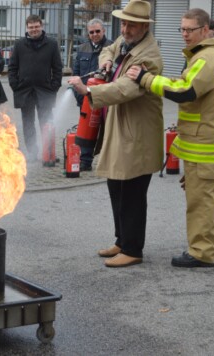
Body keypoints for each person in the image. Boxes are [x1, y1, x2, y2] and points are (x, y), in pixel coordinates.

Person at [127, 8, 214, 268]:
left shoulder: (206, 58)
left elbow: (186, 91)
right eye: (181, 29)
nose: (185, 34)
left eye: (190, 30)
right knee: (206, 199)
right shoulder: (206, 56)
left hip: (203, 144)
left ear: (205, 30)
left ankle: (201, 252)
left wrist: (146, 79)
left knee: (199, 201)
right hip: (205, 141)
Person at [68, 0, 163, 268]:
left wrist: (89, 92)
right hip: (121, 130)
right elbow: (108, 49)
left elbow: (126, 89)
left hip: (137, 135)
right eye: (123, 22)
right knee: (116, 185)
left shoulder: (150, 56)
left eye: (131, 24)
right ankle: (122, 240)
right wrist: (108, 60)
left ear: (144, 26)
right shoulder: (126, 41)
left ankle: (133, 249)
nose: (125, 28)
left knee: (132, 191)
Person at [8, 14, 63, 162]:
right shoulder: (19, 44)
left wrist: (54, 86)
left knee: (47, 122)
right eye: (31, 27)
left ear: (41, 26)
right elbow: (12, 67)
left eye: (36, 26)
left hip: (45, 91)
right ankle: (32, 153)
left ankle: (49, 154)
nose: (34, 30)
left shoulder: (51, 44)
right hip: (24, 91)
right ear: (27, 28)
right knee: (28, 123)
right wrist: (15, 85)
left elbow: (57, 68)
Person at [73, 18, 113, 171]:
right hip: (85, 98)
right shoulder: (82, 48)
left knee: (108, 129)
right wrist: (79, 94)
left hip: (106, 97)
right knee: (86, 129)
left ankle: (108, 161)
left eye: (97, 31)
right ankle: (85, 161)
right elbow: (76, 72)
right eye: (91, 32)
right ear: (88, 34)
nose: (95, 34)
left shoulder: (111, 47)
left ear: (103, 31)